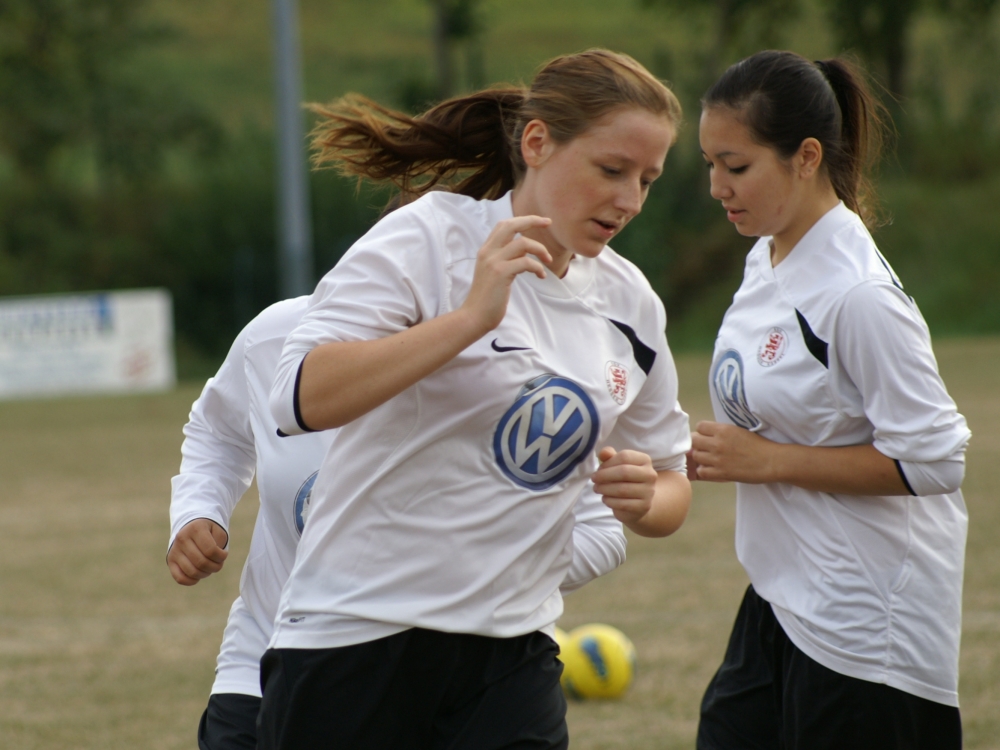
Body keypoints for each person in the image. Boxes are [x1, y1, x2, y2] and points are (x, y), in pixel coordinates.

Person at [261, 49, 693, 749]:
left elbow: (672, 481)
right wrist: (468, 319)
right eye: (611, 170)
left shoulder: (631, 305)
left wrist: (648, 500)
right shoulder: (429, 237)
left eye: (647, 179)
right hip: (358, 634)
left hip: (513, 651)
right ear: (537, 143)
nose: (631, 201)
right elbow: (298, 396)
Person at [167, 294, 632, 750]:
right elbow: (218, 432)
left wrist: (483, 570)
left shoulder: (524, 361)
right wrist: (199, 510)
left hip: (457, 676)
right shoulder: (277, 336)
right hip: (272, 654)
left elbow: (601, 530)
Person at [692, 50, 970, 750]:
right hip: (781, 598)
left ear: (806, 157)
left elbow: (935, 462)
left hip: (864, 629)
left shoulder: (857, 296)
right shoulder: (767, 254)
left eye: (737, 165)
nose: (718, 187)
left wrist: (767, 461)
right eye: (710, 165)